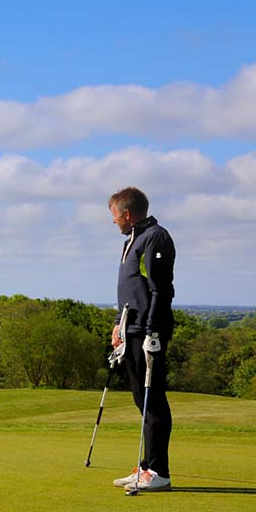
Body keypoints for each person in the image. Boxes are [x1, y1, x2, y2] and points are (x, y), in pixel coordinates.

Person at [108, 187, 175, 492]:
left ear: (127, 213)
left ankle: (158, 471)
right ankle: (147, 467)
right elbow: (130, 293)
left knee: (153, 401)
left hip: (149, 332)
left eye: (114, 215)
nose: (112, 222)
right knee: (141, 400)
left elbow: (160, 290)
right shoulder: (132, 240)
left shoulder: (155, 237)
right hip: (131, 330)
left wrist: (153, 331)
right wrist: (118, 327)